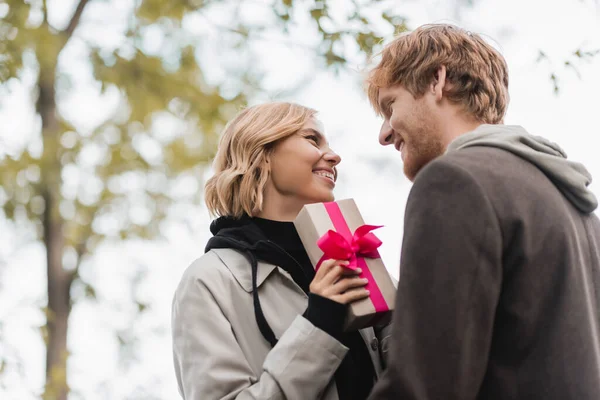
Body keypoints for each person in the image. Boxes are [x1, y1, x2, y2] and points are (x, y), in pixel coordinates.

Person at [365, 24, 600, 399]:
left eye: (391, 105)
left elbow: (425, 384)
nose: (384, 134)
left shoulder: (453, 181)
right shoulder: (575, 205)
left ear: (436, 80)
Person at [171, 102, 391, 400]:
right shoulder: (208, 281)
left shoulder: (349, 253)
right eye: (313, 139)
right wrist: (319, 324)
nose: (335, 156)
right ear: (261, 152)